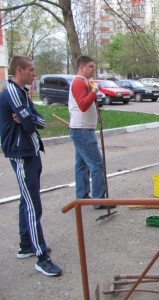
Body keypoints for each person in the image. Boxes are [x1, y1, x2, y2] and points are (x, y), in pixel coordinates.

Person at [0, 56, 62, 276]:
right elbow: (28, 125)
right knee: (32, 205)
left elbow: (40, 122)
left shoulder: (23, 93)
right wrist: (29, 119)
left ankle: (25, 244)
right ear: (19, 70)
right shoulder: (12, 93)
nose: (35, 75)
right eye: (32, 70)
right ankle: (41, 256)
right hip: (21, 153)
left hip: (31, 151)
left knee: (27, 200)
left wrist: (29, 118)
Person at [68, 55, 115, 209]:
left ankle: (82, 197)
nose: (93, 69)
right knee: (96, 164)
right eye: (90, 66)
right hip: (82, 130)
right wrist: (94, 91)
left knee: (82, 165)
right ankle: (99, 200)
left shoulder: (82, 82)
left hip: (81, 128)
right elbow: (83, 105)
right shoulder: (78, 82)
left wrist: (92, 90)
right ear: (81, 67)